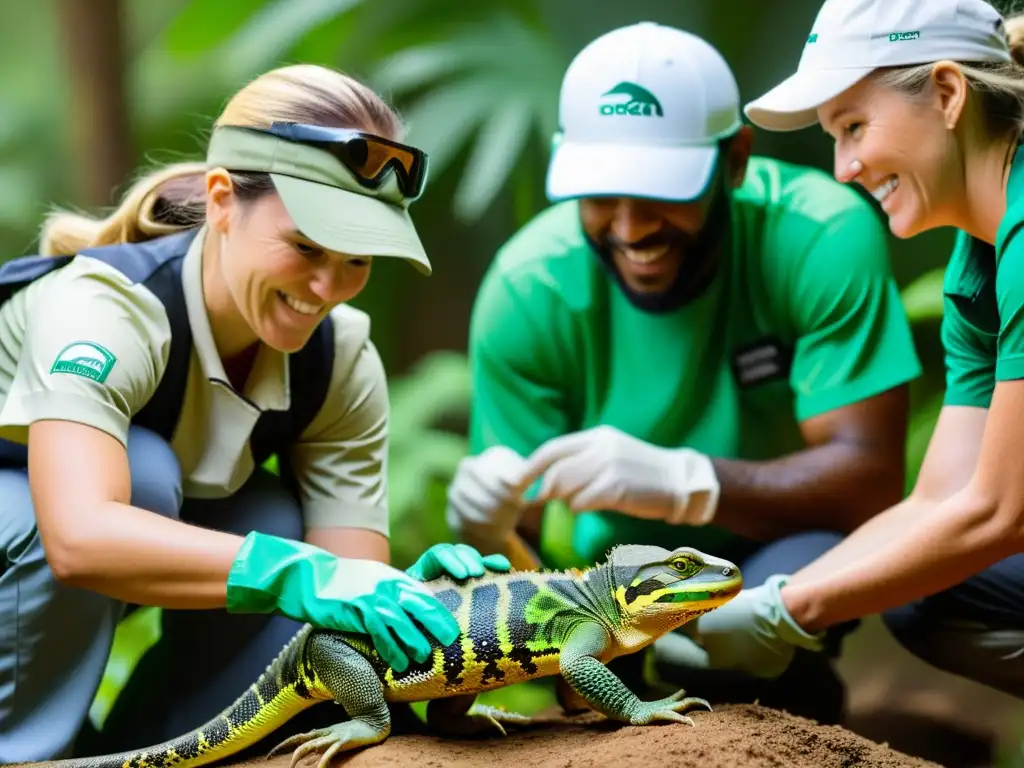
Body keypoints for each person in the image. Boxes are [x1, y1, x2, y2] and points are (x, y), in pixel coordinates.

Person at [0, 63, 509, 763]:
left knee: (274, 518)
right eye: (305, 247)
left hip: (91, 570)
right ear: (221, 201)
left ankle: (151, 750)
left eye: (358, 260)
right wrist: (301, 573)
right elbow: (79, 535)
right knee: (144, 477)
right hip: (35, 549)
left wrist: (414, 602)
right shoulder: (105, 309)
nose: (328, 286)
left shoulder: (340, 361)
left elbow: (346, 608)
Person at [444, 21, 922, 725]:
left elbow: (871, 484)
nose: (632, 227)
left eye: (662, 190)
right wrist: (489, 528)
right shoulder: (527, 288)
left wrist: (685, 485)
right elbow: (521, 552)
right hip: (597, 588)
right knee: (603, 689)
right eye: (601, 193)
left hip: (772, 551)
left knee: (763, 667)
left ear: (734, 159)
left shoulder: (816, 235)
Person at [662, 0, 1024, 701]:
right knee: (926, 593)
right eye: (835, 136)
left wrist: (786, 611)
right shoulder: (977, 261)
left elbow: (1002, 513)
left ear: (948, 95)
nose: (843, 168)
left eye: (854, 127)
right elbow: (942, 500)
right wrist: (778, 596)